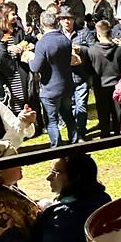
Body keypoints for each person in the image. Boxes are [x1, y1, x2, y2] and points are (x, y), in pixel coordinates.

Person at [28, 11, 76, 147]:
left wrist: (29, 59)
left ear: (42, 24)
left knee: (52, 120)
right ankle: (75, 142)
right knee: (69, 116)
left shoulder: (42, 43)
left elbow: (36, 67)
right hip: (66, 85)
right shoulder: (65, 40)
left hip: (50, 88)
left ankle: (57, 147)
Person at [85, 20, 121, 138]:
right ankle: (119, 132)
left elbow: (88, 69)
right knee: (118, 111)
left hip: (100, 85)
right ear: (110, 33)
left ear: (97, 34)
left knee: (103, 111)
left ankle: (105, 133)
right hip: (117, 84)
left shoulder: (91, 51)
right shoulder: (120, 50)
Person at [57, 7, 92, 140]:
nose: (67, 21)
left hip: (81, 76)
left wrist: (81, 49)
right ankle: (74, 133)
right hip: (65, 78)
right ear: (59, 20)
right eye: (64, 18)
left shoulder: (83, 32)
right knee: (70, 107)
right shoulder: (57, 35)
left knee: (81, 106)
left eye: (69, 18)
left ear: (73, 19)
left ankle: (81, 132)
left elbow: (93, 48)